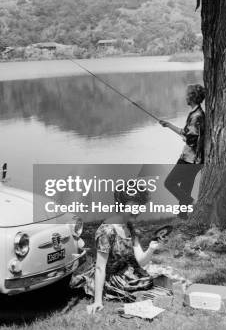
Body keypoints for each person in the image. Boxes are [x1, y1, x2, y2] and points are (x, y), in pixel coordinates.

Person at [71, 189, 160, 314]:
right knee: (136, 288)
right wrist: (97, 301)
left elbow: (141, 261)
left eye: (139, 206)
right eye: (134, 205)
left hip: (126, 271)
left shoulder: (129, 226)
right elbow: (100, 267)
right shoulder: (106, 231)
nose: (138, 209)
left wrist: (151, 249)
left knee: (148, 281)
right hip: (110, 276)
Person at [159, 84, 206, 219]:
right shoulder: (197, 114)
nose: (185, 97)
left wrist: (187, 139)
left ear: (192, 97)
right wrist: (168, 125)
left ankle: (191, 202)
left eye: (187, 95)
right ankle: (183, 216)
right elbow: (186, 133)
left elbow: (191, 139)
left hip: (190, 159)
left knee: (169, 183)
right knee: (186, 187)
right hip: (197, 160)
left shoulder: (196, 116)